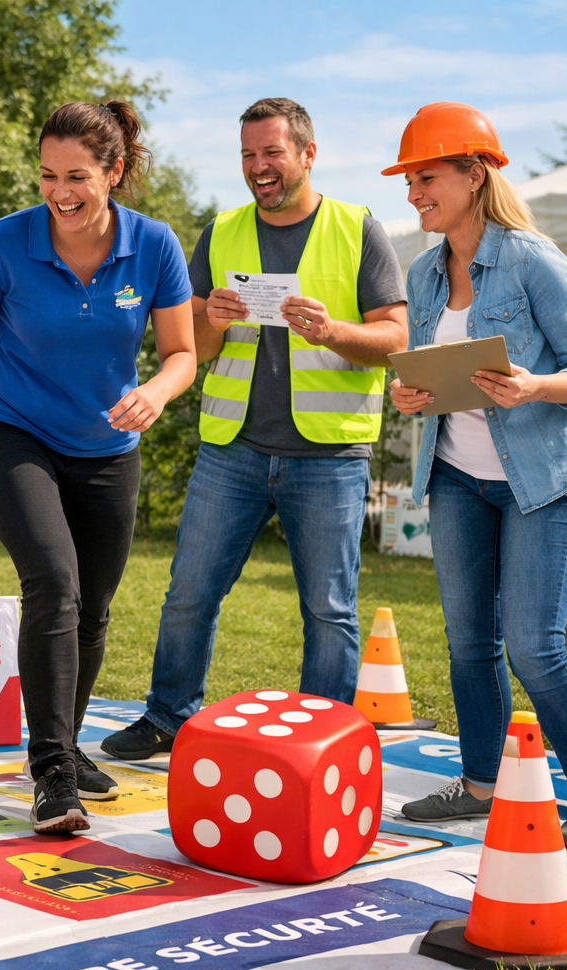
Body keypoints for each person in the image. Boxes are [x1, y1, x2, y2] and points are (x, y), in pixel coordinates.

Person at [101, 97, 409, 761]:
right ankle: (167, 717)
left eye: (271, 152)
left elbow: (396, 338)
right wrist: (209, 317)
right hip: (232, 450)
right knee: (189, 594)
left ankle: (323, 741)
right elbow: (191, 348)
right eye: (247, 154)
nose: (258, 166)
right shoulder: (220, 231)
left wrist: (333, 331)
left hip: (330, 455)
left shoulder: (358, 228)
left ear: (308, 154)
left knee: (329, 609)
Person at [0, 100, 196, 833]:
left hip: (107, 445)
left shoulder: (154, 245)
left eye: (77, 176)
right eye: (47, 175)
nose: (60, 192)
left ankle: (64, 745)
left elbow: (181, 353)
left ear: (114, 171)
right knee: (54, 582)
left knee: (94, 608)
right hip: (6, 429)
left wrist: (156, 393)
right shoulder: (1, 243)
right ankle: (52, 772)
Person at [386, 103, 567, 847]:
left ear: (474, 174)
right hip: (456, 477)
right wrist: (407, 394)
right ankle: (481, 785)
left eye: (426, 178)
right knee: (469, 642)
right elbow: (428, 369)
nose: (414, 194)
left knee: (535, 647)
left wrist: (535, 386)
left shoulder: (533, 260)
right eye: (409, 182)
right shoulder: (423, 272)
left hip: (540, 483)